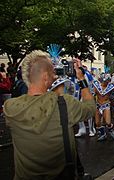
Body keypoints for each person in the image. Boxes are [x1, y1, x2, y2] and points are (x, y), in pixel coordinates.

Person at [3, 50, 96, 179]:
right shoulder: (64, 103)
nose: (56, 75)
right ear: (45, 77)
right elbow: (90, 108)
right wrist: (81, 78)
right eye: (54, 72)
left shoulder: (10, 107)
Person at [93, 73, 114, 141]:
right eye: (105, 81)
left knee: (108, 122)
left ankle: (110, 130)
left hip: (106, 105)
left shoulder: (111, 87)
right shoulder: (96, 86)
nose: (106, 82)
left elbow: (113, 96)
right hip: (98, 105)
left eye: (107, 81)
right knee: (97, 123)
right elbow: (93, 94)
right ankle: (103, 134)